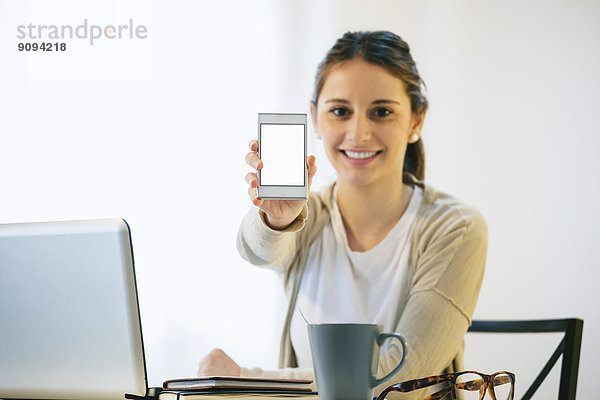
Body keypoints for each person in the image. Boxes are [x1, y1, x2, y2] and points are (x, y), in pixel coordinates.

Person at [197, 30, 488, 397]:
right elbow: (257, 250)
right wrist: (276, 219)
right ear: (315, 119)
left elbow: (401, 383)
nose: (359, 133)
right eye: (339, 111)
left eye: (381, 112)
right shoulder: (311, 216)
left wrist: (245, 377)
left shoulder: (457, 228)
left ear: (416, 121)